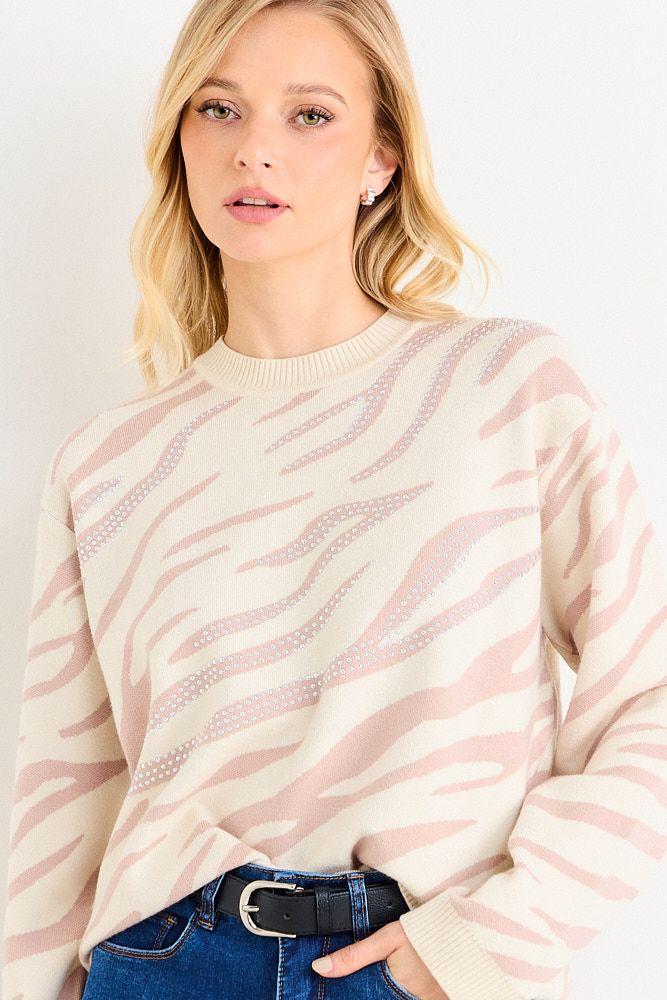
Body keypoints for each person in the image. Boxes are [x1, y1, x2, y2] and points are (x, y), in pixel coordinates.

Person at [3, 1, 666, 998]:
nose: (253, 150)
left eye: (308, 114)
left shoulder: (504, 388)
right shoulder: (109, 463)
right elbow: (59, 812)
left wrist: (492, 941)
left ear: (380, 159)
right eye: (218, 109)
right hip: (165, 965)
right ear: (180, 139)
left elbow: (649, 696)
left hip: (419, 959)